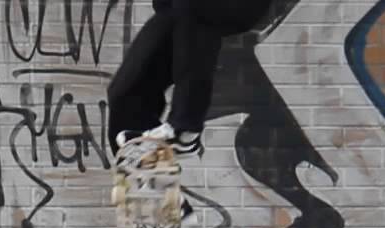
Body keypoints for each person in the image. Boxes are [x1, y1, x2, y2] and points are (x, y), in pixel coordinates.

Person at [108, 0, 275, 161]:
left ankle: (184, 131)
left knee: (195, 6)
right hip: (179, 9)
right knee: (125, 94)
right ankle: (141, 162)